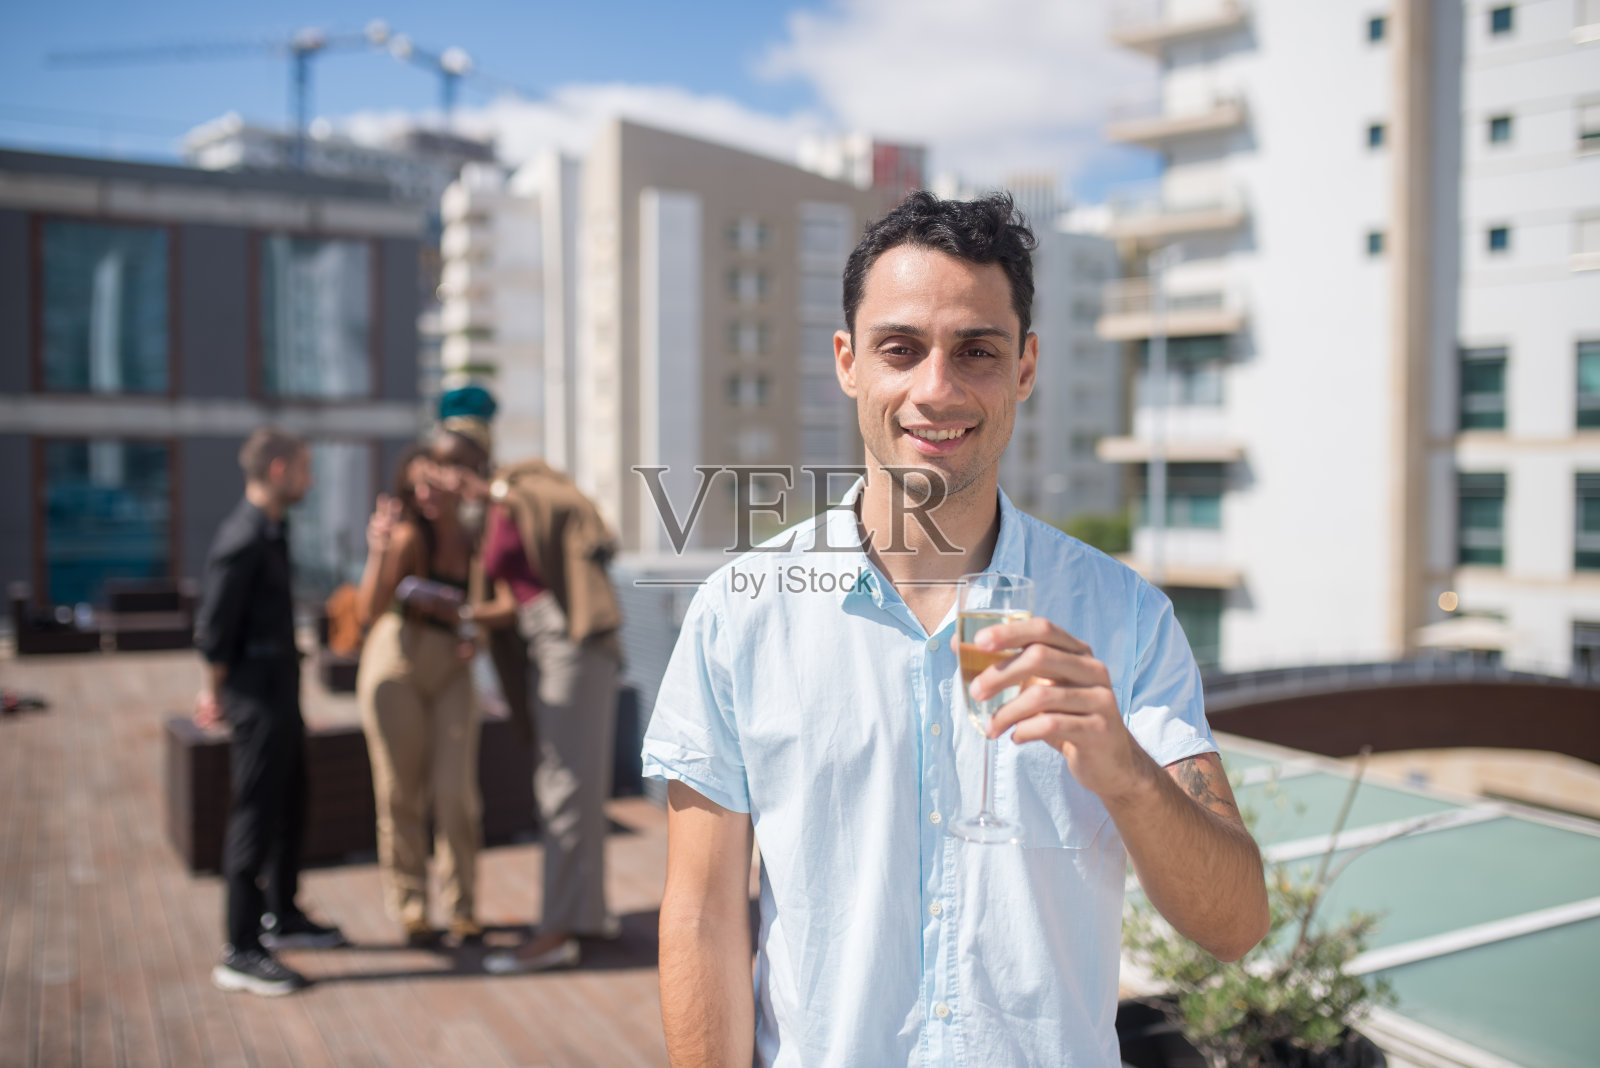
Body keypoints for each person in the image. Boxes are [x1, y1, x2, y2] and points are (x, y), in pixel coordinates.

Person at [642, 192, 1270, 1065]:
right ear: (848, 362)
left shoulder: (1125, 617)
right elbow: (704, 915)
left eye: (977, 351)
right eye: (901, 349)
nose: (936, 389)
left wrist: (1127, 773)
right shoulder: (741, 613)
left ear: (1025, 367)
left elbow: (1235, 925)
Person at [423, 386, 625, 975]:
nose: (450, 475)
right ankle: (587, 915)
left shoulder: (523, 483)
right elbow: (512, 599)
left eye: (458, 463)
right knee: (573, 786)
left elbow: (577, 513)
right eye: (441, 465)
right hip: (542, 644)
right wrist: (461, 615)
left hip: (571, 640)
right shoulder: (483, 516)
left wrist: (491, 491)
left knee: (561, 787)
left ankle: (555, 932)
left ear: (481, 456)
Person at [195, 426, 346, 998]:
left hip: (280, 691)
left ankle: (282, 915)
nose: (311, 479)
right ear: (279, 469)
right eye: (305, 468)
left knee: (291, 802)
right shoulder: (242, 538)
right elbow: (214, 631)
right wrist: (213, 693)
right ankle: (241, 949)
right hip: (256, 697)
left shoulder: (272, 530)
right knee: (254, 814)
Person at [354, 442, 482, 947]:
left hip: (452, 667)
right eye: (415, 487)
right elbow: (368, 610)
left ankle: (463, 909)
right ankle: (411, 909)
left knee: (456, 795)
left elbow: (489, 603)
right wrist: (378, 549)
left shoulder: (474, 537)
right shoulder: (407, 536)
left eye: (433, 482)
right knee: (399, 792)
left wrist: (477, 633)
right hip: (397, 659)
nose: (426, 494)